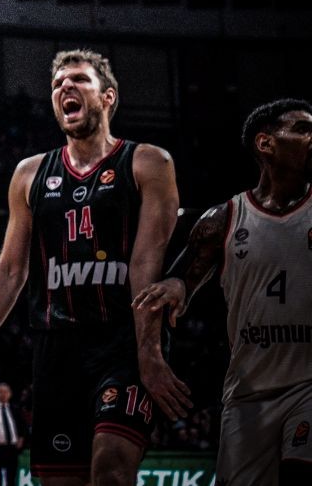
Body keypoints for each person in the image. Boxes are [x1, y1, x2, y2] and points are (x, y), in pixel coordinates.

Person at [0, 49, 180, 485]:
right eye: (58, 83)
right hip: (56, 348)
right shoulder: (29, 174)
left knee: (111, 470)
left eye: (78, 79)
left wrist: (149, 350)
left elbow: (146, 263)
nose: (65, 88)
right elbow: (10, 270)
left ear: (108, 97)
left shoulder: (148, 163)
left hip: (122, 341)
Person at [132, 97, 312, 486]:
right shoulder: (223, 219)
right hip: (248, 393)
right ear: (266, 143)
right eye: (302, 129)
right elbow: (182, 278)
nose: (311, 137)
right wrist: (176, 287)